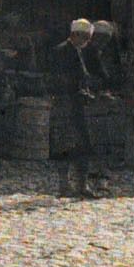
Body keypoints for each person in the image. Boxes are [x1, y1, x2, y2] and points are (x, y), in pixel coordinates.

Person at [52, 17, 102, 198]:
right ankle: (64, 185)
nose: (87, 42)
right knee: (65, 144)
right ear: (76, 35)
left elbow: (93, 74)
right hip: (66, 103)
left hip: (80, 105)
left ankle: (82, 184)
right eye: (85, 38)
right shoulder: (60, 52)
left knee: (84, 144)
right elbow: (59, 79)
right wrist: (77, 89)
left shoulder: (85, 52)